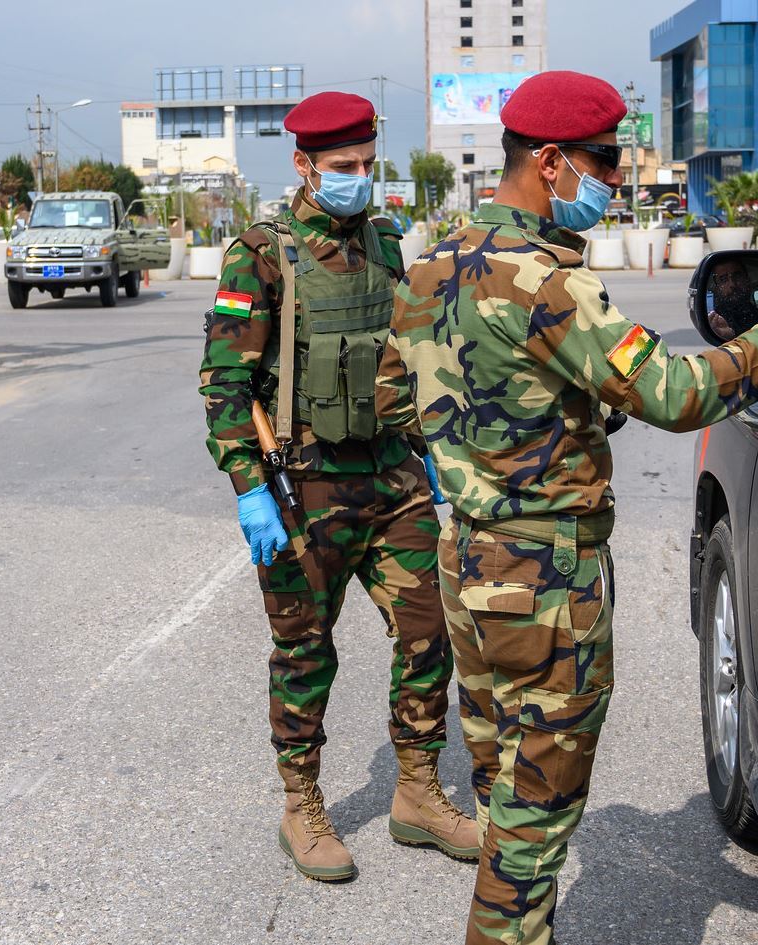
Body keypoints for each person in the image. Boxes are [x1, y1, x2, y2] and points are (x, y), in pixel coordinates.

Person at [375, 70, 758, 944]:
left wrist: (518, 427)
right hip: (543, 576)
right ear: (550, 163)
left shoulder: (430, 261)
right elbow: (679, 392)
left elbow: (396, 400)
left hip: (468, 563)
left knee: (504, 783)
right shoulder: (546, 279)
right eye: (604, 161)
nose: (614, 178)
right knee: (537, 813)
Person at [198, 91, 477, 883]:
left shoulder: (386, 242)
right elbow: (224, 382)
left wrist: (431, 450)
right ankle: (302, 803)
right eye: (343, 165)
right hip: (303, 487)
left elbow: (409, 357)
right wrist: (249, 487)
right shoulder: (261, 254)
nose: (359, 176)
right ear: (304, 165)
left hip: (391, 477)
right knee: (304, 650)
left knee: (430, 633)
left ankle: (418, 791)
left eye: (366, 163)